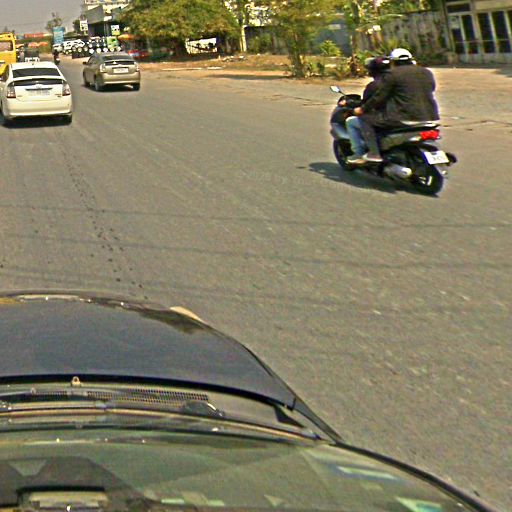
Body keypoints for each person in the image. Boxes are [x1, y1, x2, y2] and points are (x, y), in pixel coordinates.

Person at [354, 48, 440, 163]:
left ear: (393, 62)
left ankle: (374, 153)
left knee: (364, 119)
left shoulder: (392, 74)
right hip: (430, 117)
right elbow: (431, 88)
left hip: (403, 119)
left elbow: (379, 97)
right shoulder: (426, 72)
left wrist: (362, 109)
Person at [345, 56, 391, 165]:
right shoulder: (396, 82)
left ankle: (358, 153)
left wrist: (350, 104)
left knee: (351, 122)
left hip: (383, 119)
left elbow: (366, 103)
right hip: (400, 117)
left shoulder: (374, 85)